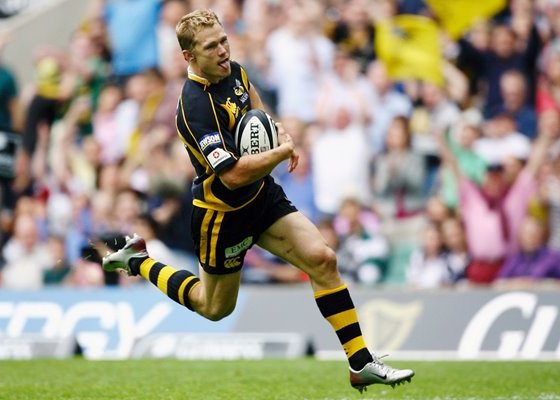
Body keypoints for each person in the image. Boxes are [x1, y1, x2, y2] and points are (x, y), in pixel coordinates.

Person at [101, 9, 413, 393]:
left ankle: (360, 361)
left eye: (223, 41)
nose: (222, 51)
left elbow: (252, 99)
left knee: (322, 259)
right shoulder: (195, 107)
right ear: (189, 57)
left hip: (261, 197)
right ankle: (138, 260)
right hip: (223, 214)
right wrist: (281, 153)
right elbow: (231, 174)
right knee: (213, 307)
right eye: (211, 46)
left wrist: (275, 127)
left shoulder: (233, 70)